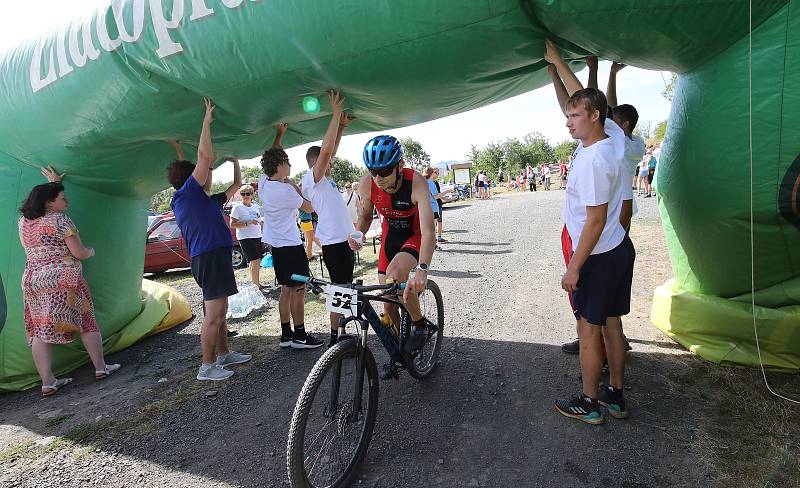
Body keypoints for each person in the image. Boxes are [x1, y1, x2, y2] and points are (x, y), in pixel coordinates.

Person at [546, 39, 635, 424]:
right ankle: (615, 396)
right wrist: (558, 62)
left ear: (594, 116)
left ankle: (589, 402)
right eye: (568, 116)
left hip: (597, 254)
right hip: (618, 248)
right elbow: (587, 95)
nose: (568, 121)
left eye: (575, 116)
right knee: (613, 324)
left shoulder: (593, 160)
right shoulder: (615, 138)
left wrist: (574, 267)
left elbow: (595, 220)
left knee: (588, 329)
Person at [167, 98, 251, 381]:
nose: (206, 174)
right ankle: (206, 367)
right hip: (209, 257)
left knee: (221, 309)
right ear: (190, 178)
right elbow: (203, 159)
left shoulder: (200, 198)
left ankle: (224, 354)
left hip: (214, 255)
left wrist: (177, 147)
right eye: (198, 173)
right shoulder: (185, 195)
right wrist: (206, 121)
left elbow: (211, 174)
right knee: (213, 314)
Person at [19, 166, 121, 396]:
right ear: (49, 203)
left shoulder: (24, 222)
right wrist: (92, 251)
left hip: (34, 281)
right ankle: (100, 368)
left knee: (40, 330)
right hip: (65, 278)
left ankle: (48, 382)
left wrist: (54, 183)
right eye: (62, 199)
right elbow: (79, 253)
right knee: (86, 321)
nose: (66, 202)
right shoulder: (61, 221)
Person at [350, 135, 437, 379]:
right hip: (391, 235)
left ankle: (419, 324)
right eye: (373, 171)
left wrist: (422, 269)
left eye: (385, 171)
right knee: (387, 303)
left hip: (415, 233)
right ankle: (400, 350)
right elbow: (366, 216)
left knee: (395, 275)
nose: (379, 178)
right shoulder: (368, 184)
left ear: (399, 166)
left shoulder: (416, 181)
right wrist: (358, 233)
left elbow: (429, 231)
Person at [259, 125, 324, 350]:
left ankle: (286, 334)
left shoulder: (264, 184)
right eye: (287, 162)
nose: (290, 165)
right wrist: (294, 185)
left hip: (277, 247)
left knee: (285, 290)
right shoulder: (285, 191)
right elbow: (310, 207)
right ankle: (300, 336)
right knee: (298, 291)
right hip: (291, 246)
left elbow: (272, 154)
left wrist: (279, 134)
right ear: (279, 166)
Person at [301, 90, 357, 348]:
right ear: (315, 164)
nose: (331, 162)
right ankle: (335, 338)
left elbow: (329, 152)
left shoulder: (326, 180)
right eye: (325, 162)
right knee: (340, 290)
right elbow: (326, 153)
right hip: (334, 243)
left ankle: (341, 332)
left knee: (345, 288)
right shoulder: (312, 179)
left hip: (344, 241)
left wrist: (342, 128)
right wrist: (335, 115)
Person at [230, 184, 265, 289]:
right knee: (255, 261)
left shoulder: (255, 207)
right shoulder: (237, 207)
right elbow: (232, 224)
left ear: (252, 195)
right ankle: (256, 285)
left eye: (248, 193)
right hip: (245, 237)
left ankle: (256, 284)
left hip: (257, 236)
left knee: (256, 261)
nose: (245, 196)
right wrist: (247, 223)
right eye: (243, 193)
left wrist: (263, 225)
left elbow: (259, 220)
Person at [424, 167, 451, 244]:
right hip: (433, 207)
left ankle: (431, 244)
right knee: (432, 228)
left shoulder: (424, 181)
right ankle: (433, 244)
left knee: (428, 228)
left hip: (426, 207)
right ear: (431, 173)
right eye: (436, 173)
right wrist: (447, 191)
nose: (437, 174)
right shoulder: (431, 182)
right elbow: (435, 196)